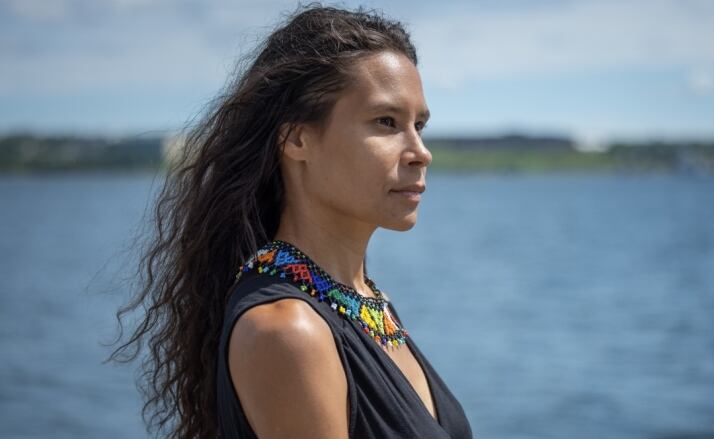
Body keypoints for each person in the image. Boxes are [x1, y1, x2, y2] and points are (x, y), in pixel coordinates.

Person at [109, 3, 472, 438]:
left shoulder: (364, 302)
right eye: (386, 121)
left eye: (419, 125)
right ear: (296, 137)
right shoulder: (288, 330)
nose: (420, 151)